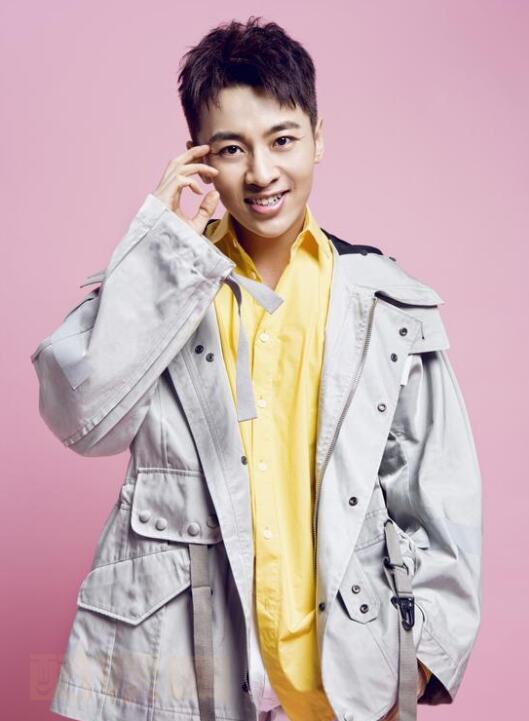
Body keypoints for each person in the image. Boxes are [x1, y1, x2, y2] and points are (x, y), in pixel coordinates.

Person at [31, 16, 482, 721]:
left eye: (283, 140)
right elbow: (82, 420)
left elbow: (438, 491)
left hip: (346, 684)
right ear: (198, 158)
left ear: (319, 137)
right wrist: (159, 250)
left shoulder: (385, 304)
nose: (263, 172)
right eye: (232, 148)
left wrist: (414, 658)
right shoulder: (159, 291)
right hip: (184, 681)